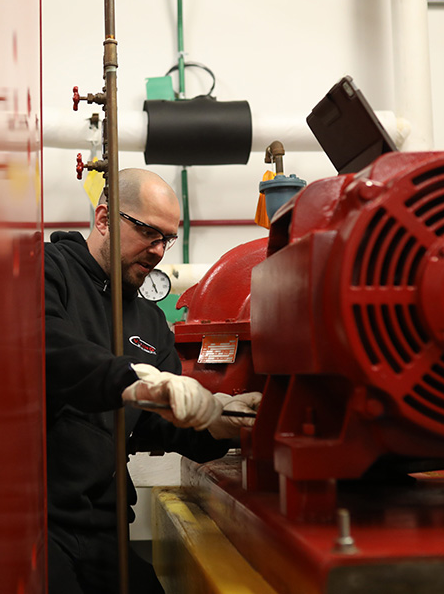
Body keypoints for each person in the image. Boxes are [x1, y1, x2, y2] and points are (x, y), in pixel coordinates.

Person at [44, 168, 261, 594]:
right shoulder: (49, 271)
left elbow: (159, 424)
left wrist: (217, 421)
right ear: (105, 218)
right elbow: (50, 349)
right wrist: (132, 379)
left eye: (168, 239)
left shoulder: (151, 322)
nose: (160, 250)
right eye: (149, 233)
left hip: (106, 526)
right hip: (43, 520)